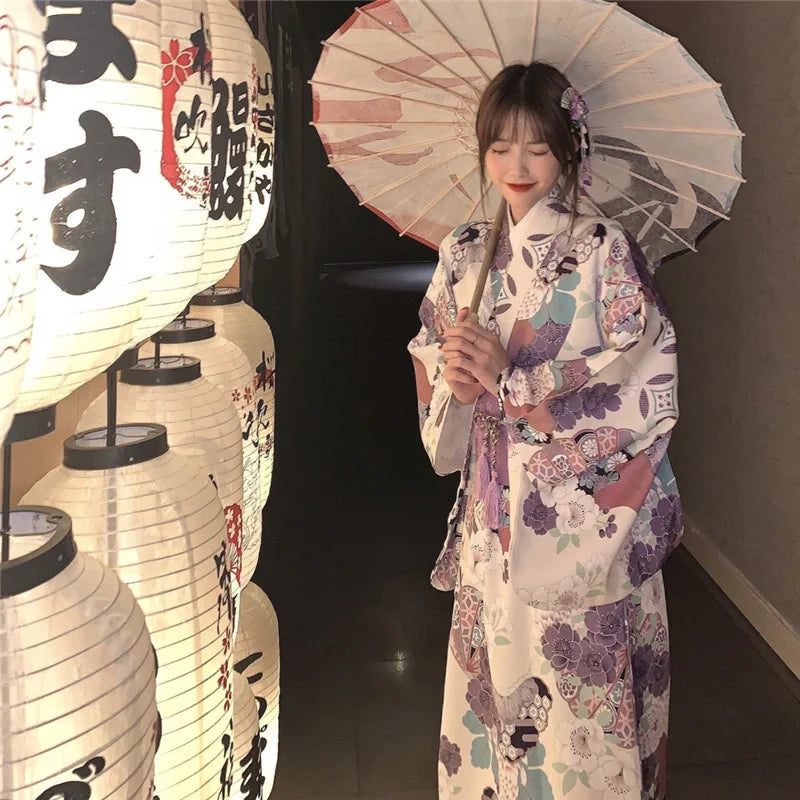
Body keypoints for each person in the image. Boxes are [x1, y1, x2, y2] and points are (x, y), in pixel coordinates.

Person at [407, 62, 682, 800]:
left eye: (536, 147)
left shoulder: (604, 252)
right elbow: (434, 375)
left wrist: (513, 382)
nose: (516, 167)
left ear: (570, 149)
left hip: (577, 518)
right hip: (490, 519)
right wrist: (460, 386)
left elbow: (640, 378)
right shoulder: (464, 253)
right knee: (501, 697)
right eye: (498, 147)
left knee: (581, 706)